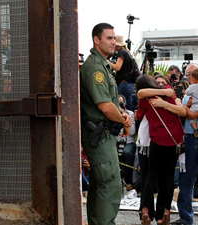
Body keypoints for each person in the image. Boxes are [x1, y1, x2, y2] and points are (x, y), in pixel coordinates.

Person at [79, 23, 132, 225]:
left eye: (114, 38)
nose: (113, 42)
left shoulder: (103, 65)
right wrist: (123, 119)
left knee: (100, 184)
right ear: (96, 40)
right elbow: (104, 105)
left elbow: (111, 102)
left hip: (104, 134)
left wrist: (122, 118)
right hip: (98, 135)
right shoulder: (95, 67)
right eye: (109, 38)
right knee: (109, 184)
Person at [136, 74, 186, 225]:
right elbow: (182, 111)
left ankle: (145, 210)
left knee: (151, 175)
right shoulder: (169, 92)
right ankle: (164, 212)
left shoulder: (146, 98)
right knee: (168, 176)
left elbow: (139, 115)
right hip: (173, 140)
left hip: (156, 140)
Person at [171, 63, 198, 225]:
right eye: (186, 74)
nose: (187, 77)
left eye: (190, 74)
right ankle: (185, 218)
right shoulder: (186, 95)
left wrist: (190, 112)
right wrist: (185, 109)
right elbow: (182, 115)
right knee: (185, 181)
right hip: (188, 139)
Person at [109, 35, 136, 111]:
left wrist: (107, 62)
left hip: (124, 83)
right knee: (129, 105)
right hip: (129, 84)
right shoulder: (127, 53)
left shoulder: (121, 52)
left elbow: (117, 67)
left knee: (124, 107)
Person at [116, 94, 136, 189]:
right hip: (117, 141)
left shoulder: (130, 114)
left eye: (121, 103)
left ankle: (129, 181)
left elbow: (132, 132)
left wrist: (125, 118)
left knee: (127, 153)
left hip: (129, 142)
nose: (120, 105)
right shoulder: (113, 114)